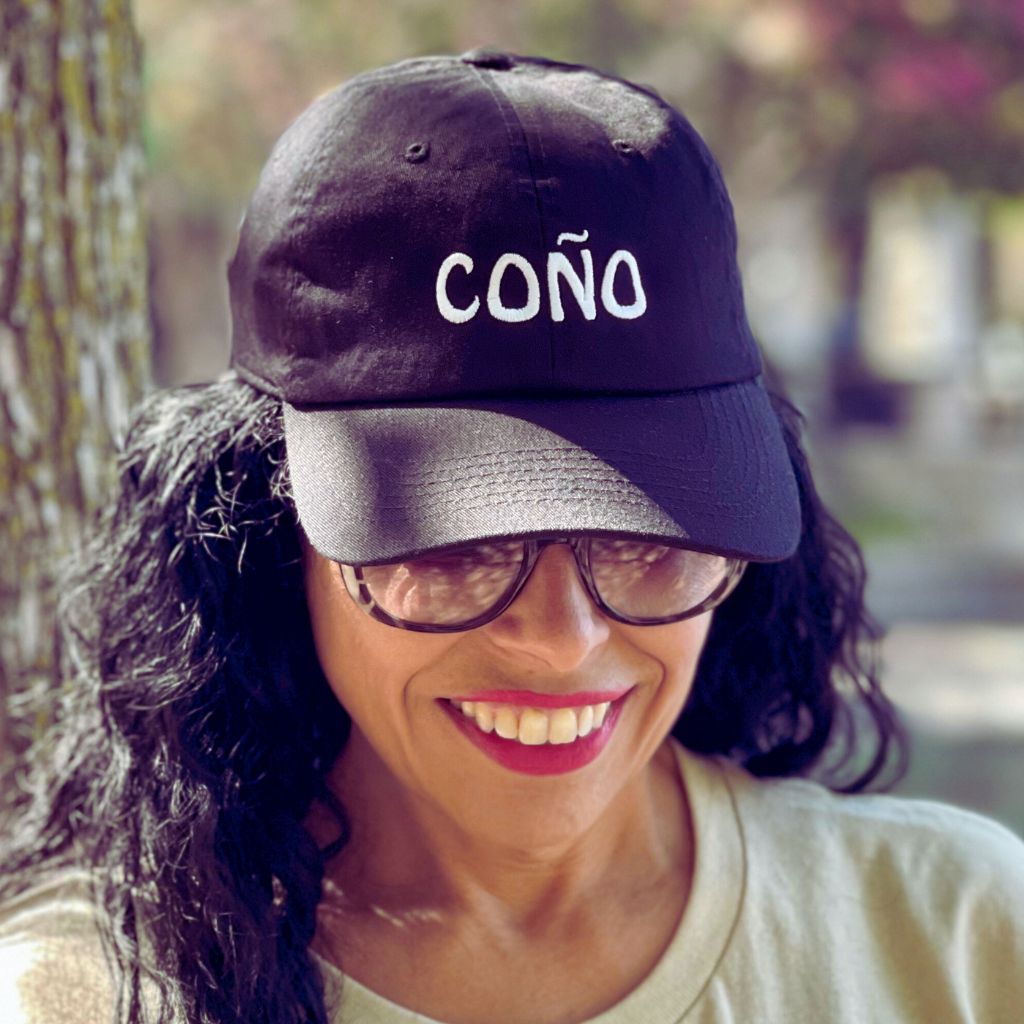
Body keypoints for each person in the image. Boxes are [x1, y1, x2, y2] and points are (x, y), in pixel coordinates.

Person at [2, 50, 1022, 1024]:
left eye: (642, 537)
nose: (562, 637)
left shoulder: (959, 938)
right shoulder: (87, 995)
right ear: (272, 532)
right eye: (454, 547)